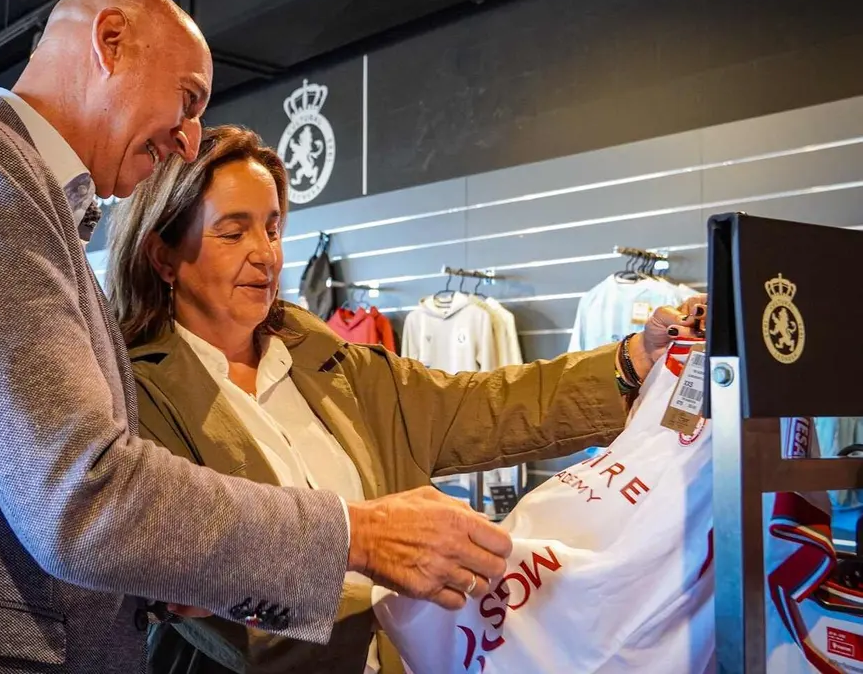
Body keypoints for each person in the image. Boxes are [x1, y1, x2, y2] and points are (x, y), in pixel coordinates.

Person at [0, 0, 515, 674]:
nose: (189, 140)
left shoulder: (24, 201)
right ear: (109, 41)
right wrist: (360, 535)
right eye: (188, 99)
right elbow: (81, 492)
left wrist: (148, 587)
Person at [104, 124, 709, 674]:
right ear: (163, 257)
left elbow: (488, 404)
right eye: (233, 232)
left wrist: (632, 361)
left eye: (273, 227)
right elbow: (180, 575)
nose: (265, 253)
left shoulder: (339, 368)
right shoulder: (131, 394)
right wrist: (373, 562)